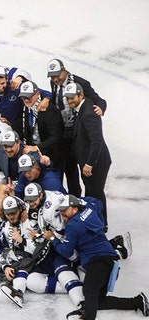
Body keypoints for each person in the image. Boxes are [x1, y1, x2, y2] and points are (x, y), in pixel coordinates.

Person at [42, 195, 148, 320]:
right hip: (108, 259)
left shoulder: (73, 226)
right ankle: (137, 301)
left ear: (75, 209)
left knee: (89, 292)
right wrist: (81, 200)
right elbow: (97, 202)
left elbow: (66, 251)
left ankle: (89, 317)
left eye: (64, 210)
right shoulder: (90, 209)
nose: (61, 213)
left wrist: (53, 238)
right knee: (97, 301)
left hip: (99, 262)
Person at [47, 59, 107, 197]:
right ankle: (73, 199)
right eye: (52, 76)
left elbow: (98, 100)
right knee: (68, 168)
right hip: (63, 132)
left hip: (76, 131)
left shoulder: (81, 84)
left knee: (80, 168)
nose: (55, 79)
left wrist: (101, 108)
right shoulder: (54, 83)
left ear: (65, 70)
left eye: (57, 75)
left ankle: (80, 200)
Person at [64, 83, 112, 229]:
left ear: (81, 95)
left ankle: (99, 225)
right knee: (95, 192)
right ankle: (101, 222)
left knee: (94, 194)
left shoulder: (89, 113)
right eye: (68, 98)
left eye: (72, 98)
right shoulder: (83, 108)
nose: (70, 101)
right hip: (90, 162)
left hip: (95, 163)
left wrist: (89, 164)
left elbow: (96, 141)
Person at [15, 81, 63, 166]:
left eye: (28, 97)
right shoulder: (27, 107)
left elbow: (56, 137)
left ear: (37, 94)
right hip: (34, 151)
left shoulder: (49, 110)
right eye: (23, 97)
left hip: (51, 155)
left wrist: (36, 148)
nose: (26, 100)